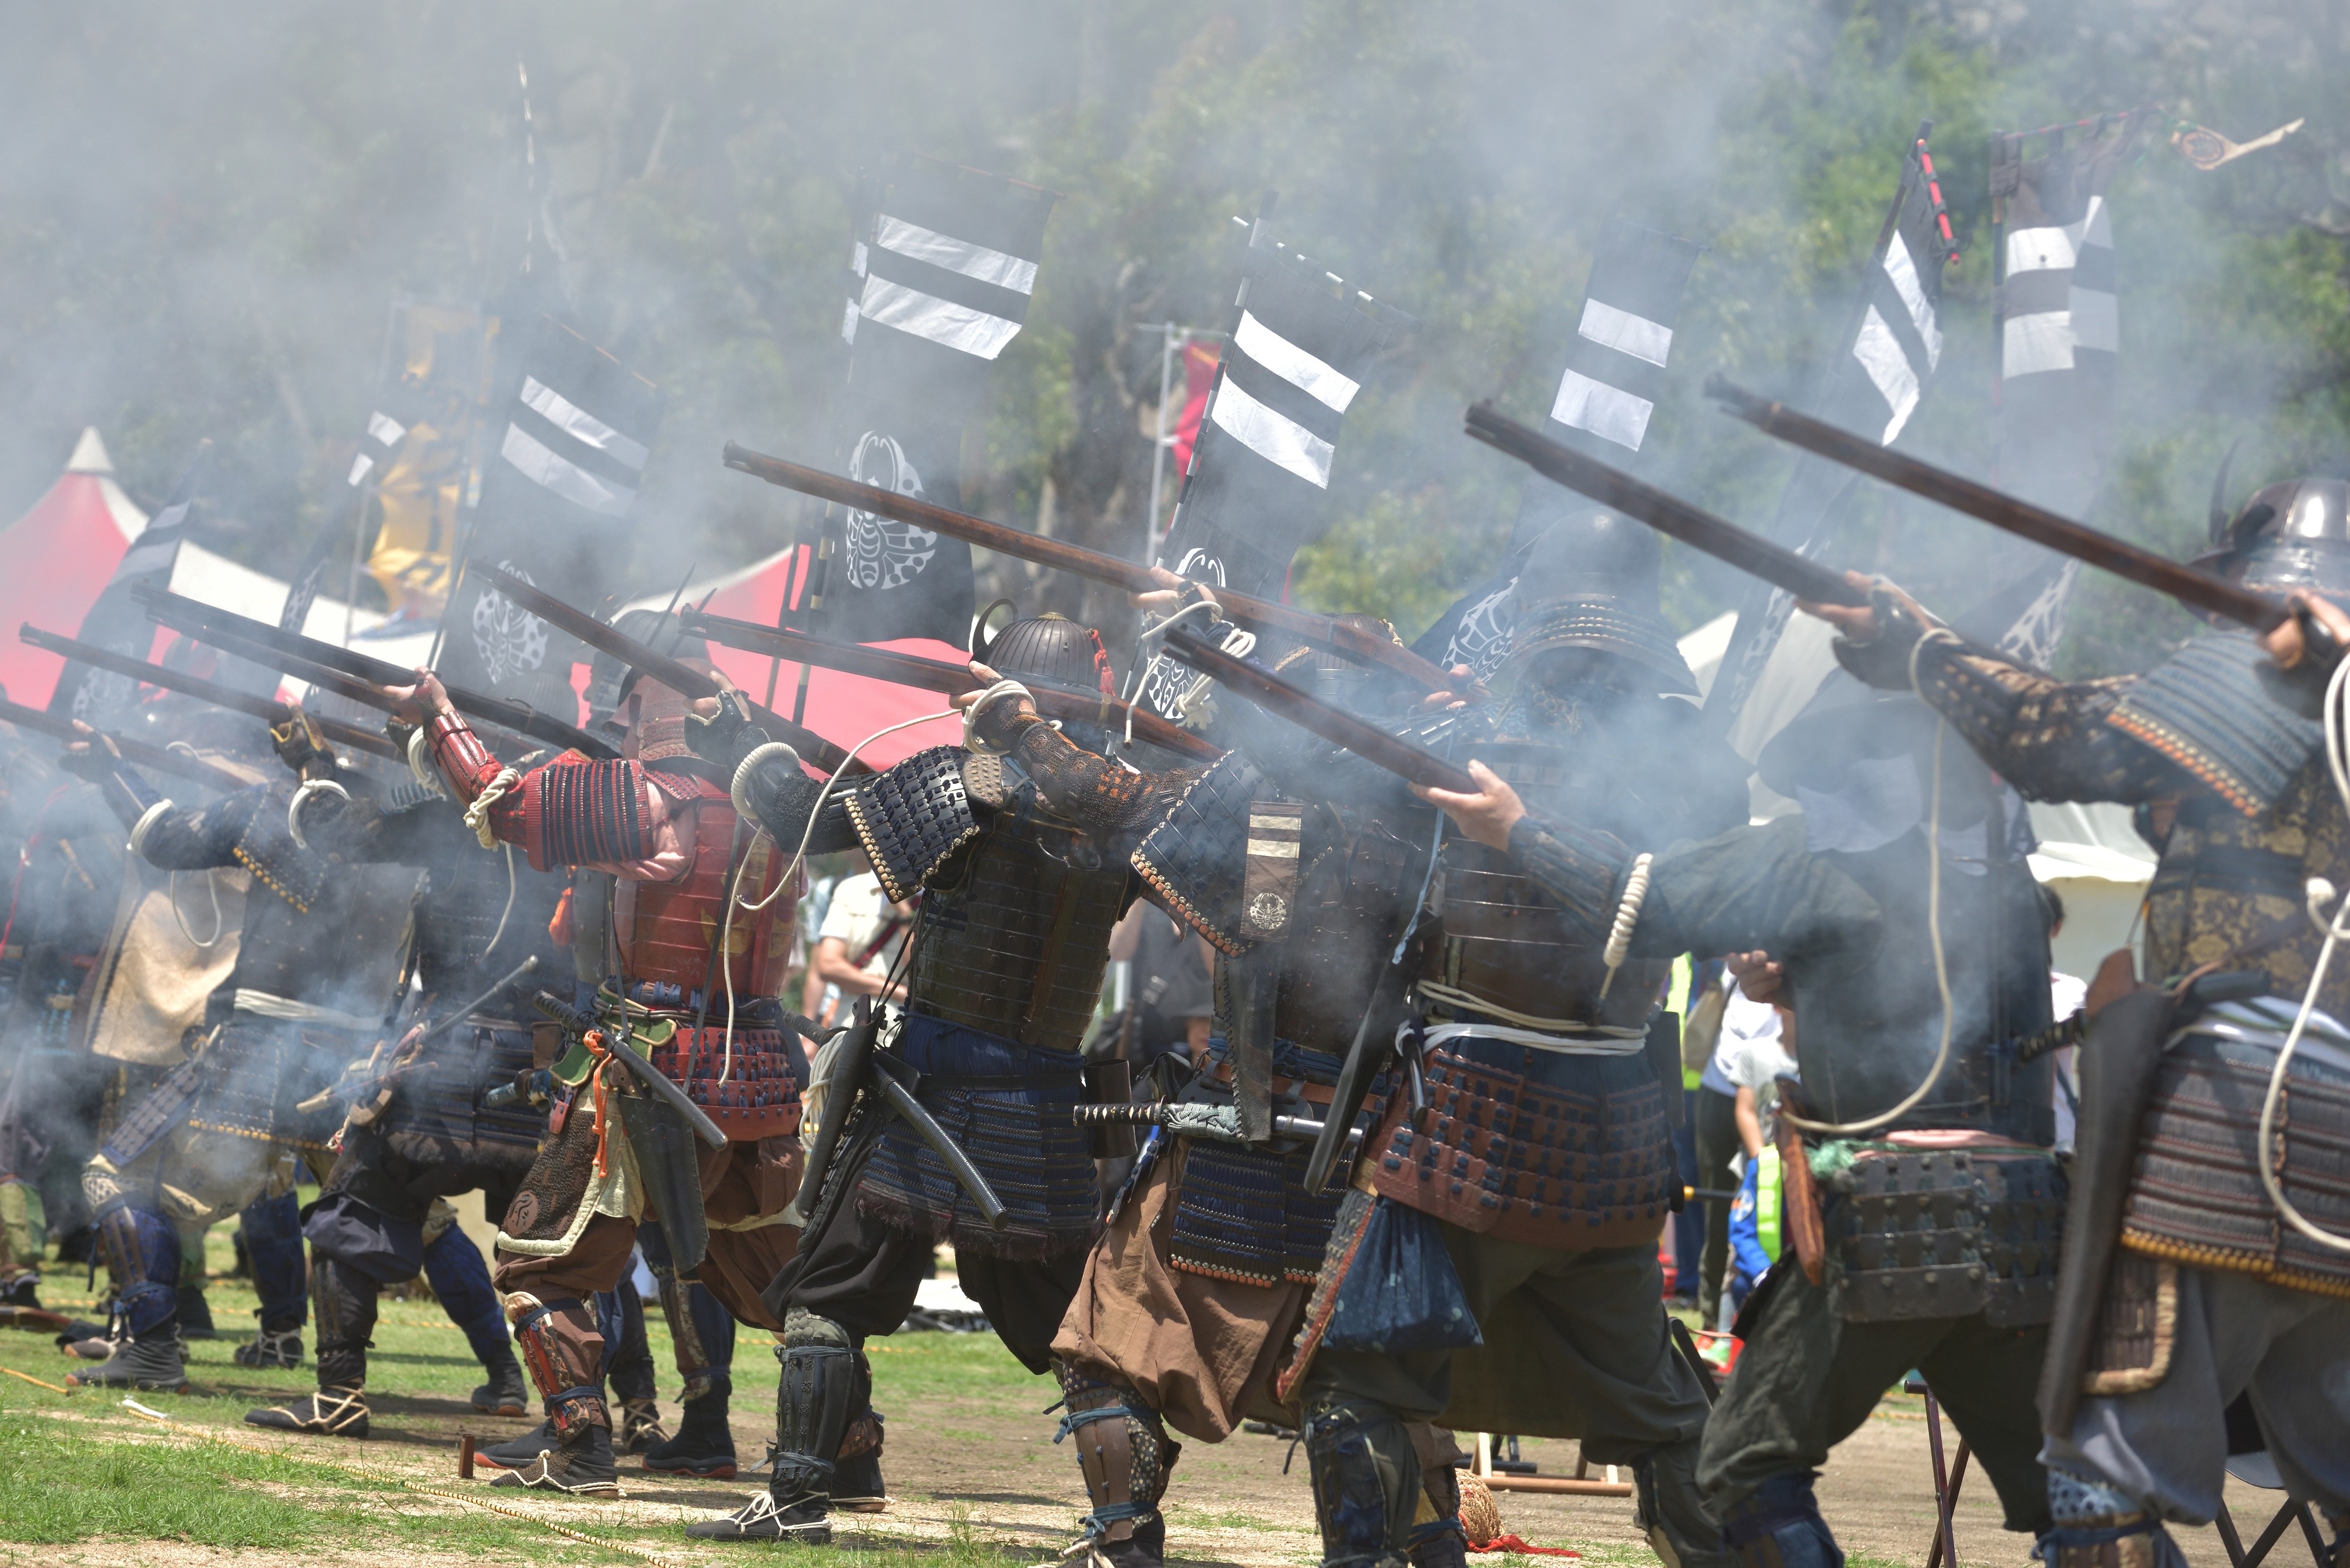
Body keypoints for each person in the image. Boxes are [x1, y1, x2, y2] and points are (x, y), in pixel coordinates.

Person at [1792, 477, 2350, 1565]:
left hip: (2239, 1123)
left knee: (2101, 1496)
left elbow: (2053, 738)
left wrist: (1918, 644)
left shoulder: (2288, 675)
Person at [1413, 653, 2068, 1566]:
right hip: (2031, 1228)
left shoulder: (1806, 864)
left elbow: (1642, 906)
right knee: (2081, 1505)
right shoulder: (2011, 886)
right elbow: (1901, 984)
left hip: (1889, 1221)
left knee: (1739, 1465)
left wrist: (1520, 829)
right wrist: (1798, 971)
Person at [1260, 515, 1750, 1568]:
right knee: (1662, 1409)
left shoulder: (1463, 744)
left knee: (1358, 1386)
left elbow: (1290, 773)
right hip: (1617, 1134)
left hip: (1465, 1124)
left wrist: (1309, 658)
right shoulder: (1700, 772)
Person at [680, 612, 1185, 1544]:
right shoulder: (1129, 810)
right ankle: (1127, 1529)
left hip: (934, 1096)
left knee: (830, 1295)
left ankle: (797, 1500)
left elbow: (799, 818)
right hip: (1041, 1106)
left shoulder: (967, 781)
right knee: (1074, 1332)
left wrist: (739, 741)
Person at [392, 644, 808, 1498]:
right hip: (757, 1070)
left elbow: (498, 800)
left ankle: (577, 1443)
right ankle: (845, 1444)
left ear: (653, 717)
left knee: (540, 1262)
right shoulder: (787, 813)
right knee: (775, 1276)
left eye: (628, 716)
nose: (617, 732)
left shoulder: (653, 796)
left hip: (647, 1066)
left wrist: (438, 715)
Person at [59, 714, 416, 1392]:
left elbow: (157, 836)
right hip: (356, 1056)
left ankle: (153, 1348)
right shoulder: (418, 833)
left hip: (260, 1048)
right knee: (417, 1218)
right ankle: (504, 1371)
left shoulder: (273, 809)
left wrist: (110, 766)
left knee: (114, 1176)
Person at [231, 711, 555, 1437]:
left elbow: (335, 831)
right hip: (538, 1066)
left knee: (352, 1214)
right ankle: (620, 1415)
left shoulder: (449, 816)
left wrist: (315, 767)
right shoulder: (584, 816)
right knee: (567, 1252)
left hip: (445, 1058)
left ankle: (340, 1397)